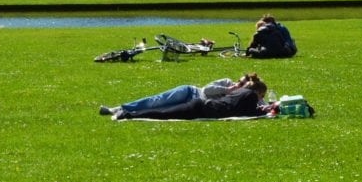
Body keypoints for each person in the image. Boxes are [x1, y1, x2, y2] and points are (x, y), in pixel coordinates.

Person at [100, 73, 270, 121]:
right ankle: (119, 108)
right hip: (191, 93)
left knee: (162, 110)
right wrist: (229, 89)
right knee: (156, 101)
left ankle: (124, 113)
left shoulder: (249, 96)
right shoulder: (226, 83)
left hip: (198, 106)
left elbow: (259, 105)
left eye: (242, 84)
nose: (238, 85)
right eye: (239, 82)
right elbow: (207, 90)